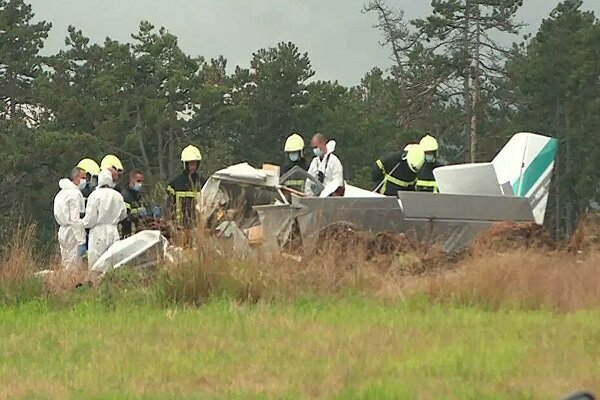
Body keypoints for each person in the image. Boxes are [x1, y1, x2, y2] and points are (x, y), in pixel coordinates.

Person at [83, 169, 127, 267]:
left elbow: (90, 219)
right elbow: (123, 214)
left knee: (96, 263)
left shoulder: (94, 195)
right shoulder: (118, 196)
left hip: (98, 232)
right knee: (113, 262)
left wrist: (81, 224)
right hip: (113, 230)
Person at [53, 167, 87, 270]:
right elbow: (75, 219)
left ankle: (64, 283)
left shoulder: (61, 193)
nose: (85, 180)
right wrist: (81, 240)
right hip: (72, 232)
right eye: (83, 177)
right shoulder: (75, 194)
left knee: (66, 262)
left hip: (62, 230)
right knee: (74, 265)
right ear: (76, 178)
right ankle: (72, 284)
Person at [167, 145, 205, 227]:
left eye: (195, 163)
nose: (193, 167)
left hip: (197, 227)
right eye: (190, 164)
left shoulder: (203, 183)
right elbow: (169, 206)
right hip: (179, 226)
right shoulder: (175, 184)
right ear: (185, 164)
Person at [305, 133, 345, 197]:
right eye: (313, 148)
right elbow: (309, 182)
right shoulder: (314, 162)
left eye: (316, 147)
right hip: (316, 199)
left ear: (323, 144)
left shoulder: (334, 161)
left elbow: (338, 183)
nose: (314, 150)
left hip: (330, 200)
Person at [120, 169, 147, 238]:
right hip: (127, 232)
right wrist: (138, 211)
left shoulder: (139, 195)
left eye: (141, 181)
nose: (140, 184)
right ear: (131, 180)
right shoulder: (124, 195)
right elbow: (124, 215)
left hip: (137, 232)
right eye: (138, 181)